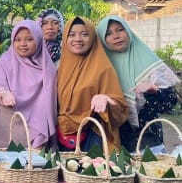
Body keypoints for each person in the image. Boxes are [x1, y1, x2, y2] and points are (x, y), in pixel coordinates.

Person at [97, 15, 180, 153]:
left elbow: (170, 102)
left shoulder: (148, 60)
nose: (116, 36)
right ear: (102, 39)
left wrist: (154, 91)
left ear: (128, 31)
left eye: (120, 30)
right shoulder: (100, 67)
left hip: (148, 138)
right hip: (114, 138)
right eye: (109, 33)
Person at [57, 16, 128, 152]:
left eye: (84, 34)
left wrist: (106, 99)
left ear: (93, 38)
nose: (77, 39)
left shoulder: (103, 68)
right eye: (72, 35)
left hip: (94, 138)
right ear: (65, 38)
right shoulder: (59, 69)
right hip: (62, 138)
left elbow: (121, 108)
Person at [0, 20, 57, 149]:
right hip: (10, 121)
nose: (23, 44)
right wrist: (4, 93)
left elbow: (51, 98)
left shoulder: (47, 65)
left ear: (38, 40)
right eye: (17, 39)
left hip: (38, 124)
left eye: (29, 39)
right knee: (5, 165)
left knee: (36, 165)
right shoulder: (5, 61)